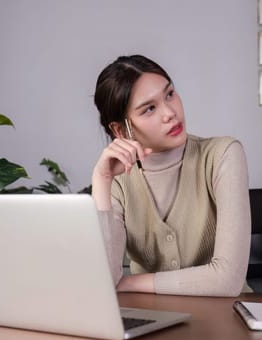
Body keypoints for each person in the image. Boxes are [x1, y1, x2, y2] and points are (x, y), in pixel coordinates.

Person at [91, 55, 251, 297]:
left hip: (227, 319)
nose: (170, 113)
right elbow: (102, 280)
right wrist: (101, 180)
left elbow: (228, 281)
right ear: (121, 129)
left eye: (170, 94)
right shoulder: (117, 180)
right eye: (149, 109)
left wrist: (129, 283)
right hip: (153, 320)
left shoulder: (222, 155)